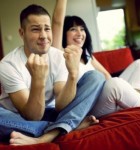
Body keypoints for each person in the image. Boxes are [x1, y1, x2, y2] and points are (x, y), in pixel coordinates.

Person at [0, 4, 106, 145]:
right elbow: (32, 116)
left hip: (50, 112)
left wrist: (73, 75)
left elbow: (61, 105)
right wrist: (38, 80)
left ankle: (48, 135)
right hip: (16, 116)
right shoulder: (8, 65)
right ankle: (66, 126)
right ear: (22, 33)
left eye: (47, 29)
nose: (43, 36)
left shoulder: (58, 56)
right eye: (36, 30)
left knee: (96, 77)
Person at [52, 0, 140, 117]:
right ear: (63, 34)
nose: (79, 33)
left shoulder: (87, 54)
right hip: (91, 106)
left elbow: (106, 75)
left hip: (109, 96)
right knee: (115, 84)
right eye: (73, 29)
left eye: (82, 29)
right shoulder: (60, 54)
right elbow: (57, 22)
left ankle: (129, 101)